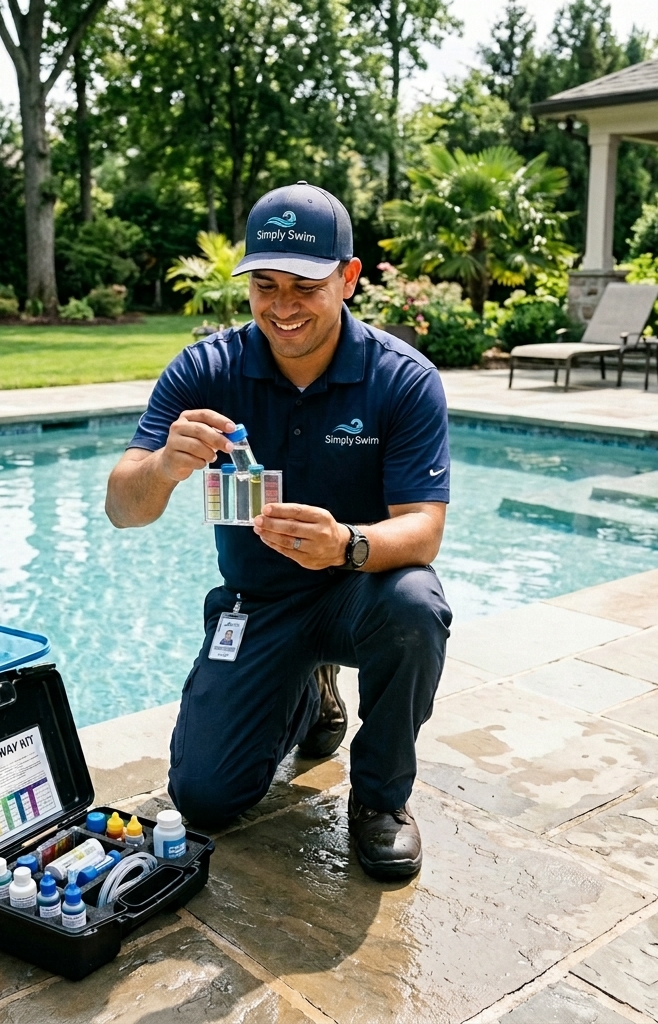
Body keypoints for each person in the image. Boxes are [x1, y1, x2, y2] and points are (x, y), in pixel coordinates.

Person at [105, 181, 452, 880]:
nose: (282, 307)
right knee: (204, 798)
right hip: (258, 601)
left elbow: (424, 530)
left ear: (348, 279)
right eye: (265, 285)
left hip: (357, 590)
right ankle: (310, 691)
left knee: (417, 604)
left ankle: (381, 798)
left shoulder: (401, 380)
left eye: (306, 287)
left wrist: (347, 544)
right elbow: (122, 507)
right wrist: (165, 466)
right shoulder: (206, 370)